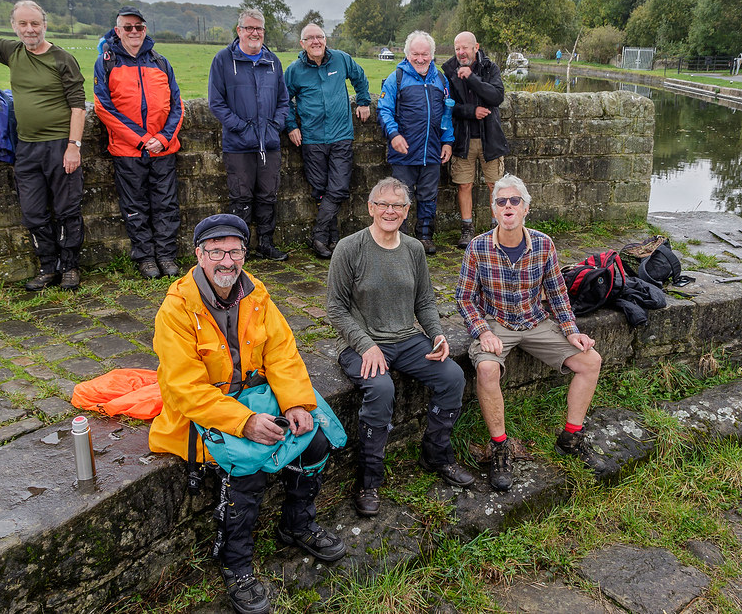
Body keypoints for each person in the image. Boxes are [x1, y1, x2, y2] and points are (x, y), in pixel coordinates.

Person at [149, 213, 345, 614]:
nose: (227, 260)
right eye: (216, 251)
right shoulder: (176, 309)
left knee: (317, 440)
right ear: (200, 255)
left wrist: (295, 402)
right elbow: (185, 388)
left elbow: (282, 352)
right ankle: (235, 564)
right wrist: (243, 422)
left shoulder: (256, 293)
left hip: (258, 398)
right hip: (206, 411)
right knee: (249, 469)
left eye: (235, 251)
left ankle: (297, 524)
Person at [327, 177, 474, 518]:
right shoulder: (350, 248)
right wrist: (366, 345)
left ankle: (436, 454)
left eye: (397, 205)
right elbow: (335, 308)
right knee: (380, 388)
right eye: (383, 204)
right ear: (370, 208)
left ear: (407, 211)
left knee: (452, 376)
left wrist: (437, 335)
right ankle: (368, 479)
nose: (389, 211)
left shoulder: (413, 249)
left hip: (406, 338)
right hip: (359, 342)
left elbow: (424, 300)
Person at [455, 174, 607, 491]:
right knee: (485, 368)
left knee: (591, 361)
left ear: (526, 208)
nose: (508, 206)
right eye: (501, 201)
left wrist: (571, 330)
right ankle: (500, 447)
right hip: (497, 322)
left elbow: (556, 293)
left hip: (536, 320)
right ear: (493, 210)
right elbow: (465, 298)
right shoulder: (478, 247)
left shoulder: (543, 244)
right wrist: (482, 332)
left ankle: (571, 436)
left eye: (515, 201)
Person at [0, 0, 86, 291]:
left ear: (44, 25)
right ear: (14, 26)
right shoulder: (12, 51)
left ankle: (70, 268)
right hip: (26, 147)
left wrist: (73, 146)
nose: (30, 30)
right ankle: (47, 267)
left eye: (35, 24)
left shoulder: (62, 59)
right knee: (33, 211)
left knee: (67, 209)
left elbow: (78, 106)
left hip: (60, 145)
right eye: (23, 24)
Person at [93, 6, 184, 280]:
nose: (134, 32)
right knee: (135, 206)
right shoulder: (107, 62)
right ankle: (145, 258)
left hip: (162, 149)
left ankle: (167, 256)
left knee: (166, 204)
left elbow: (176, 105)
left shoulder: (160, 61)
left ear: (145, 30)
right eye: (128, 27)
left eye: (139, 27)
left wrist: (163, 138)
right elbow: (104, 108)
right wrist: (142, 139)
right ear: (118, 31)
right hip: (128, 151)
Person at [208, 9, 290, 261]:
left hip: (270, 143)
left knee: (268, 194)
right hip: (239, 144)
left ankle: (266, 243)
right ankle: (238, 248)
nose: (255, 33)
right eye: (250, 28)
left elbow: (283, 100)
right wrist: (242, 128)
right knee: (241, 197)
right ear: (239, 30)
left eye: (259, 29)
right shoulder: (223, 60)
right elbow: (216, 103)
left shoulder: (272, 61)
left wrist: (275, 125)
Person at [284, 23, 371, 259]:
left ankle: (319, 236)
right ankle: (333, 239)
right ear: (302, 44)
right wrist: (291, 126)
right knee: (320, 190)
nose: (316, 41)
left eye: (319, 37)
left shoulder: (341, 60)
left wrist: (363, 101)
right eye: (310, 38)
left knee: (339, 188)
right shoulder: (294, 70)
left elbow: (360, 78)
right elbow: (283, 100)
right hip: (311, 138)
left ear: (325, 39)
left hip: (341, 135)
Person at [376, 31, 453, 255]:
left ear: (432, 55)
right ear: (407, 53)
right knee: (401, 197)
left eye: (425, 54)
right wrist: (394, 135)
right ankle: (404, 238)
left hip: (432, 151)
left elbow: (448, 114)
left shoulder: (440, 79)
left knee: (429, 196)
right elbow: (384, 110)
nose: (420, 59)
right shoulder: (396, 78)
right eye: (416, 54)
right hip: (404, 152)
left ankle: (425, 236)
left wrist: (447, 142)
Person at [441, 31, 508, 249]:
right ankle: (467, 229)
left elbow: (496, 97)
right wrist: (472, 111)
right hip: (463, 137)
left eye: (465, 48)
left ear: (475, 47)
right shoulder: (448, 70)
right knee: (464, 185)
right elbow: (447, 105)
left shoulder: (490, 68)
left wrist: (470, 77)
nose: (461, 52)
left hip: (490, 137)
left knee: (495, 186)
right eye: (457, 48)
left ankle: (496, 230)